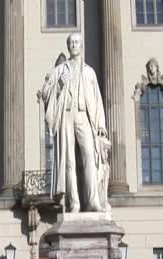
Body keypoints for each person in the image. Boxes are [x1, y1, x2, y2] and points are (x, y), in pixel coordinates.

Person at [42, 33, 110, 213]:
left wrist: (101, 125)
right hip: (66, 115)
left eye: (77, 42)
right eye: (71, 43)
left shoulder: (89, 71)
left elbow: (97, 100)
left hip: (83, 117)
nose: (74, 45)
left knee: (89, 156)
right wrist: (59, 86)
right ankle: (74, 203)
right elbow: (45, 92)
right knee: (69, 160)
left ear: (81, 46)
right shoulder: (60, 70)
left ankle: (93, 201)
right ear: (68, 46)